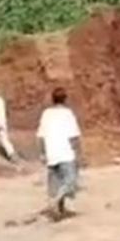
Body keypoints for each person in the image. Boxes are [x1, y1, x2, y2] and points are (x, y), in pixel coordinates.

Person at [36, 88, 82, 219]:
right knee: (70, 182)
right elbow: (74, 136)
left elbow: (40, 136)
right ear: (65, 99)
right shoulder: (68, 114)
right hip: (65, 153)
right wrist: (78, 152)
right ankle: (55, 201)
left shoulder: (46, 114)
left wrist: (42, 153)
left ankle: (60, 209)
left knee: (56, 183)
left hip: (51, 153)